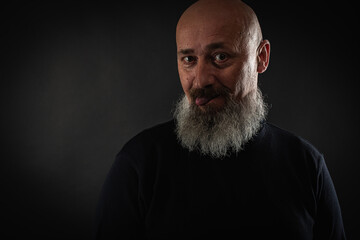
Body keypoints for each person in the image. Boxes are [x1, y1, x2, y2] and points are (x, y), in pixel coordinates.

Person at [95, 0, 346, 239]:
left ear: (262, 57)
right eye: (189, 60)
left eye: (220, 57)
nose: (201, 79)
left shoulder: (306, 165)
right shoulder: (138, 164)